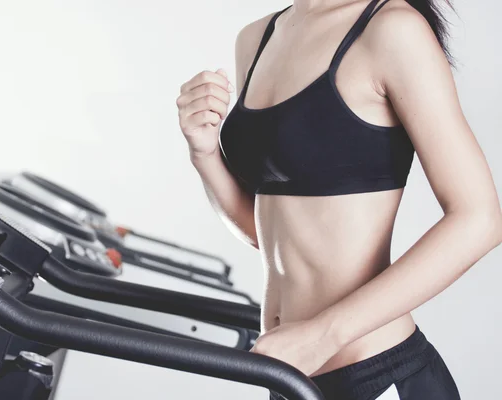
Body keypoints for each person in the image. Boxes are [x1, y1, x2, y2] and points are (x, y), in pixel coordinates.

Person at [176, 0, 502, 399]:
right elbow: (269, 233)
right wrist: (205, 155)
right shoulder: (257, 38)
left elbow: (480, 219)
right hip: (288, 376)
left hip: (376, 374)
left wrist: (323, 335)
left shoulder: (391, 29)